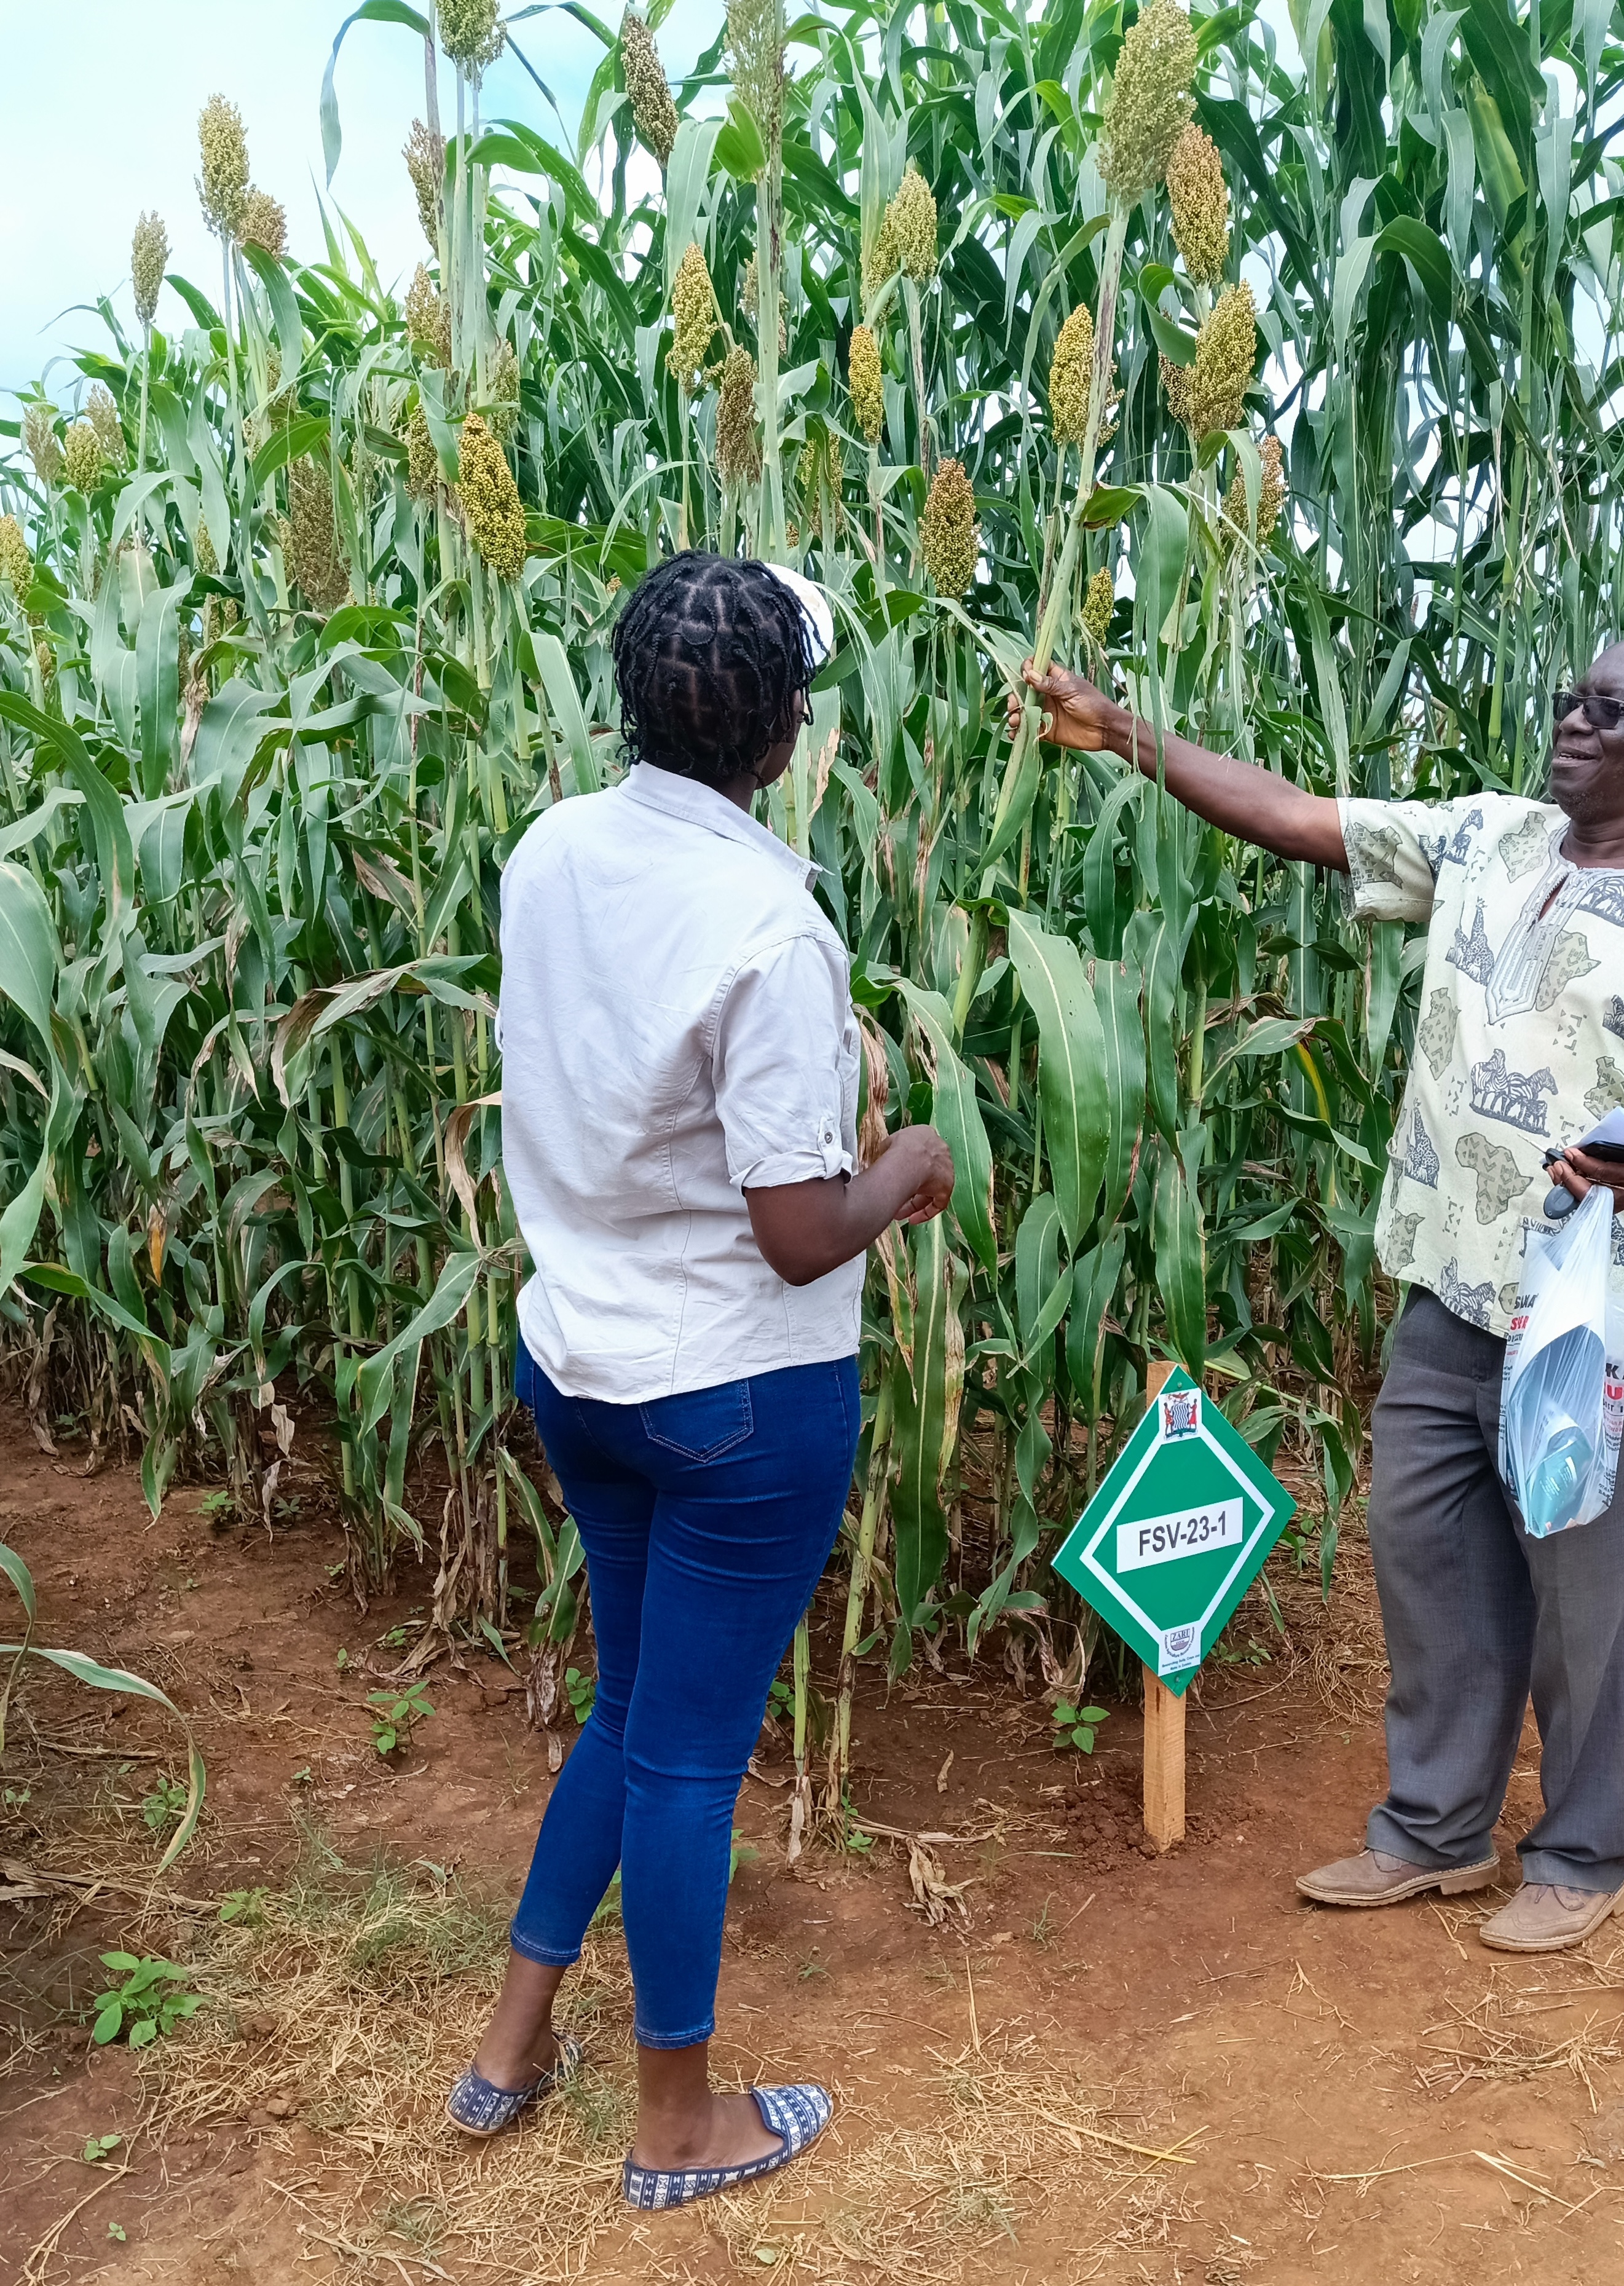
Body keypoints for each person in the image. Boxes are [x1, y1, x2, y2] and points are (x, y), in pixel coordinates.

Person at [1014, 636, 1624, 1952]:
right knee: (1427, 1557)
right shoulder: (1487, 839)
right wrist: (1123, 731)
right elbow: (1292, 817)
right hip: (1451, 1275)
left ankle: (1577, 1852)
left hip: (1593, 1309)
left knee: (1588, 1592)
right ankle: (1435, 1833)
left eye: (1608, 712)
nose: (1569, 720)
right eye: (1569, 694)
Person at [453, 552, 954, 2202]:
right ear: (787, 730)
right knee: (687, 1756)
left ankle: (508, 2050)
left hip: (582, 1368)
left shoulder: (552, 852)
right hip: (739, 1400)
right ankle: (680, 2126)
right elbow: (804, 1234)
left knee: (631, 1710)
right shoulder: (770, 929)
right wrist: (909, 1168)